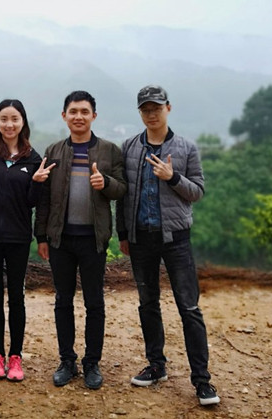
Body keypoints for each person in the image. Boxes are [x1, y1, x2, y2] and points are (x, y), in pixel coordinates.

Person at [116, 85, 220, 406]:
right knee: (148, 303)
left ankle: (202, 380)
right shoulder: (129, 147)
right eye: (146, 109)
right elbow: (123, 195)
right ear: (140, 112)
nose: (151, 114)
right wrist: (123, 233)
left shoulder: (186, 148)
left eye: (157, 108)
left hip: (176, 239)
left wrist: (172, 177)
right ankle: (156, 365)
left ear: (168, 108)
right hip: (141, 238)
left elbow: (197, 191)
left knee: (189, 308)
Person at [34, 90, 126, 389]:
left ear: (93, 116)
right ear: (64, 116)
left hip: (93, 240)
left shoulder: (109, 151)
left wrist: (105, 182)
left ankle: (92, 362)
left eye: (84, 111)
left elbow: (122, 189)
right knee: (63, 301)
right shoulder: (54, 150)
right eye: (73, 111)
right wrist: (42, 235)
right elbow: (45, 198)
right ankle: (67, 360)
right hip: (61, 239)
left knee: (94, 302)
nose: (78, 117)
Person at [0, 99, 53, 382]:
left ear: (23, 122)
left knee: (16, 296)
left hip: (17, 236)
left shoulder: (33, 159)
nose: (9, 124)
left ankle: (15, 356)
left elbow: (31, 202)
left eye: (14, 119)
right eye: (4, 119)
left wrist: (37, 183)